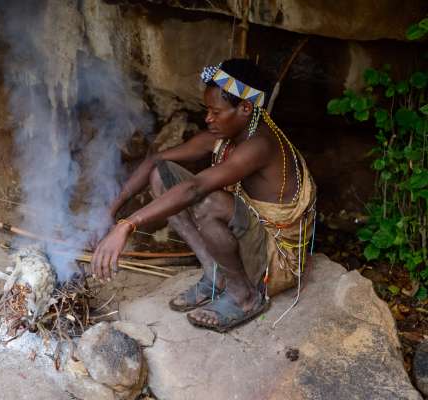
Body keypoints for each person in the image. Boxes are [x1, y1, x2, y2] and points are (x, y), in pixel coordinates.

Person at [91, 59, 316, 332]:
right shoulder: (228, 135)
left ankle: (244, 296)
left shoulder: (259, 145)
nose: (208, 118)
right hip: (250, 239)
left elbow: (195, 188)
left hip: (275, 258)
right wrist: (111, 211)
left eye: (215, 111)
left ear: (245, 108)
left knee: (208, 203)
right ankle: (215, 274)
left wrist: (127, 225)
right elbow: (156, 160)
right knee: (161, 175)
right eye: (207, 110)